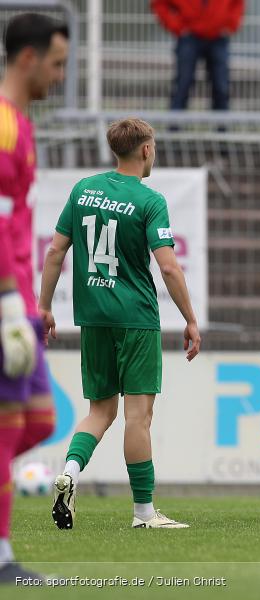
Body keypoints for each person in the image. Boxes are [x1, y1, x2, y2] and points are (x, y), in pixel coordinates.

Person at [41, 118, 202, 530]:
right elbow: (168, 268)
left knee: (99, 411)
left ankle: (69, 474)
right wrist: (189, 318)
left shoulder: (83, 190)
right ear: (146, 150)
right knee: (137, 418)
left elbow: (55, 252)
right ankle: (145, 514)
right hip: (135, 318)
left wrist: (44, 308)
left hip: (92, 318)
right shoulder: (149, 201)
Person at [0, 12, 68, 584]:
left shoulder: (20, 124)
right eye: (57, 63)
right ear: (28, 59)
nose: (61, 75)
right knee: (5, 427)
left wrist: (29, 303)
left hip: (18, 298)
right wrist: (6, 307)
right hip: (2, 300)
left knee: (39, 421)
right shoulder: (1, 126)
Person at [151, 0, 245, 111]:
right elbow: (159, 4)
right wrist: (177, 26)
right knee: (182, 85)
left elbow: (238, 3)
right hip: (189, 37)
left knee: (221, 87)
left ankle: (222, 126)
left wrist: (231, 24)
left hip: (218, 37)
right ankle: (174, 126)